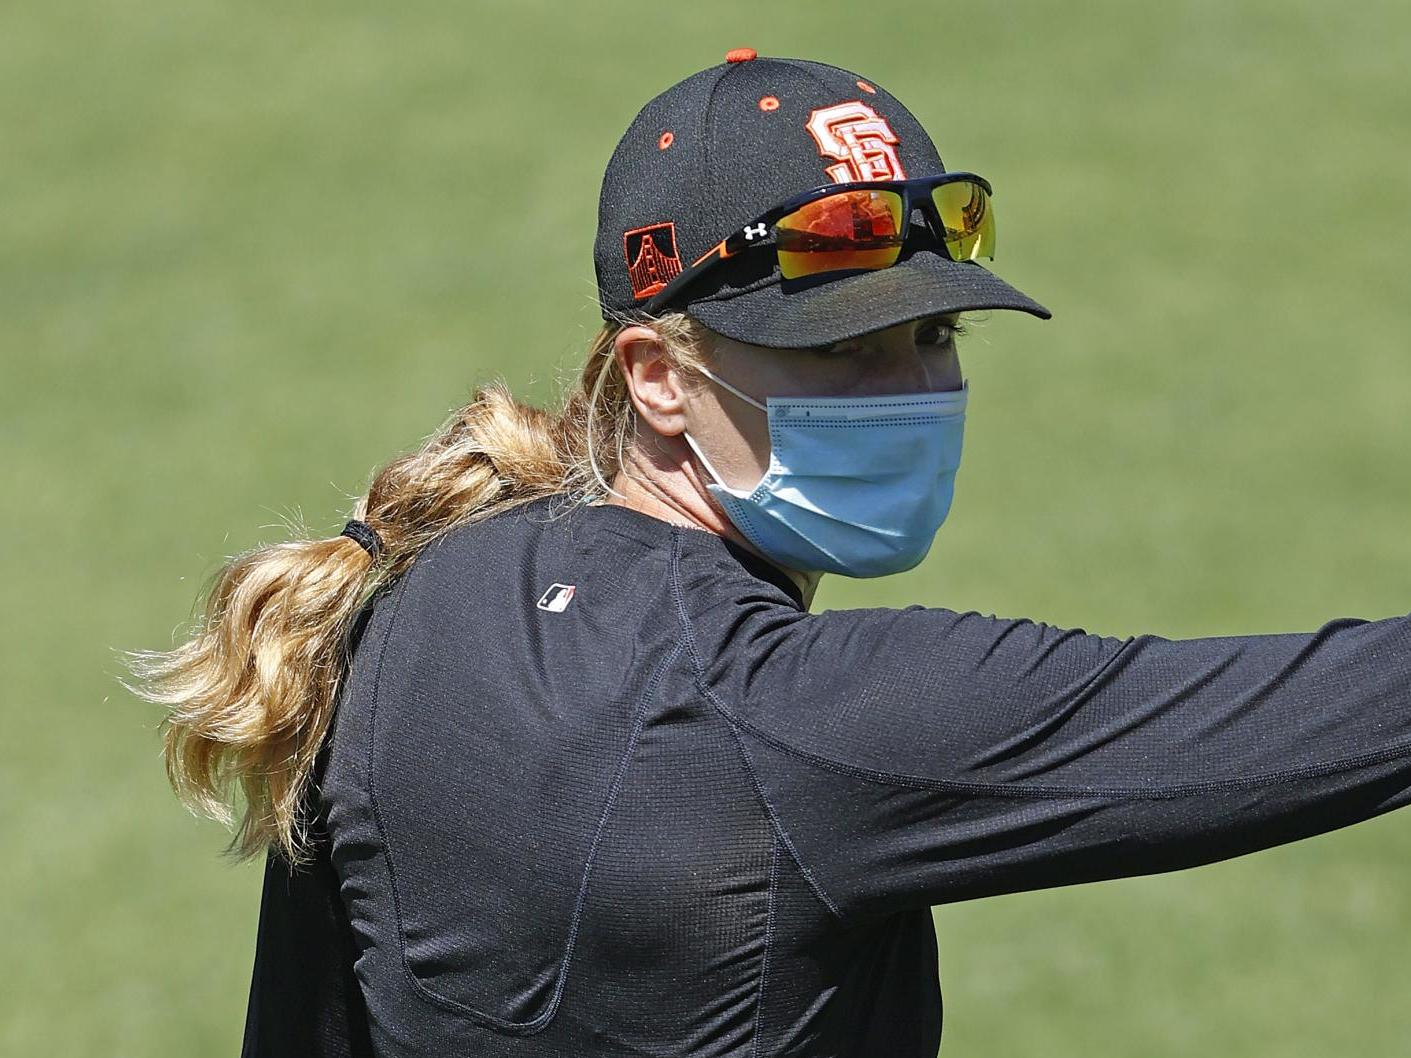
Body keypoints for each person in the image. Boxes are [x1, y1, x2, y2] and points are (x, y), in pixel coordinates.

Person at [124, 50, 1411, 1058]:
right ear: (657, 376)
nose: (911, 389)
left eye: (936, 339)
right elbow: (1323, 714)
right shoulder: (796, 718)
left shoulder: (404, 601)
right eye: (844, 349)